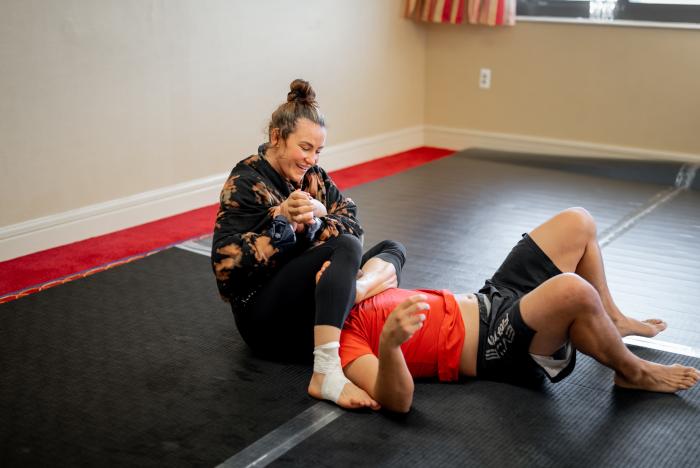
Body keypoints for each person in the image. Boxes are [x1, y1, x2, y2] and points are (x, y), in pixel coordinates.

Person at [316, 207, 699, 413]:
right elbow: (398, 401)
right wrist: (390, 345)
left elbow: (388, 252)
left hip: (491, 296)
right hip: (492, 346)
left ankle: (612, 320)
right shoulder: (346, 344)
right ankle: (632, 372)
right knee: (573, 291)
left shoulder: (364, 285)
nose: (327, 277)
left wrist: (360, 282)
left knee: (577, 222)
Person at [211, 79, 405, 409]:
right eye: (305, 148)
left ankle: (356, 292)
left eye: (318, 151)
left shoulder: (314, 177)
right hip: (263, 319)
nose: (311, 159)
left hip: (305, 304)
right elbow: (226, 271)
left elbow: (354, 225)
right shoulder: (245, 181)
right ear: (276, 137)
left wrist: (317, 219)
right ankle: (326, 370)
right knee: (343, 247)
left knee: (392, 247)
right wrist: (282, 225)